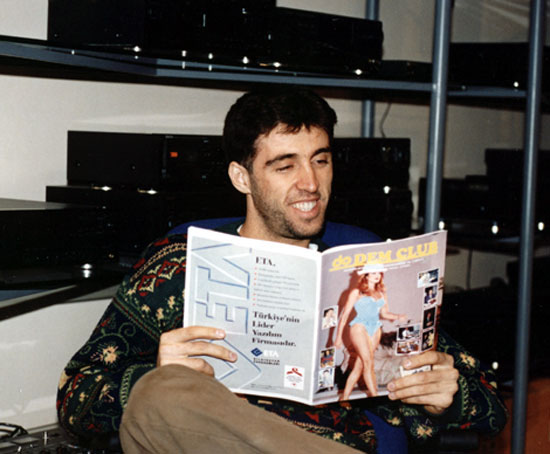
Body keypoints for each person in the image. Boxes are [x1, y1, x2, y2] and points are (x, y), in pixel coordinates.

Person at [57, 86, 507, 453]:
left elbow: (489, 404)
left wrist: (445, 395)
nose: (310, 183)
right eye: (284, 165)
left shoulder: (366, 266)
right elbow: (76, 394)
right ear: (242, 177)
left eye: (320, 160)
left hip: (338, 439)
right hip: (212, 438)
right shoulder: (179, 264)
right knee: (160, 394)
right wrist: (153, 371)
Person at [335, 264, 406, 399]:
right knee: (369, 363)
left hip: (375, 328)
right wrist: (338, 338)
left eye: (379, 273)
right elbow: (344, 316)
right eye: (373, 273)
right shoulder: (356, 292)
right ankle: (375, 396)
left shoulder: (381, 293)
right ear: (366, 275)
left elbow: (384, 314)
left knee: (360, 365)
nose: (377, 275)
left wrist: (398, 316)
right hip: (359, 326)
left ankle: (344, 397)